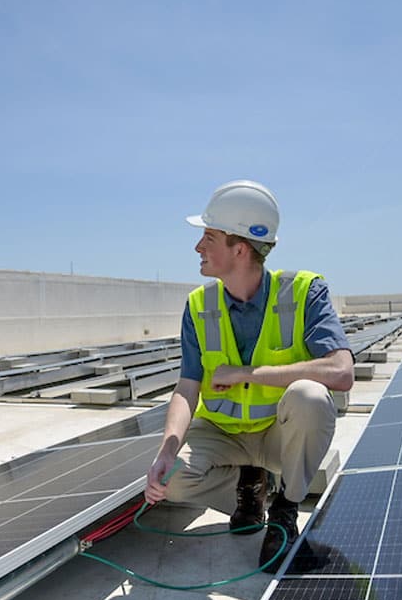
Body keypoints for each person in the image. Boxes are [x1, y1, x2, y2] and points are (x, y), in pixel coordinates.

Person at [144, 180, 353, 572]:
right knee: (169, 480)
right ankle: (249, 487)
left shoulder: (304, 292)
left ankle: (286, 510)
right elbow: (187, 387)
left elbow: (341, 371)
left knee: (311, 396)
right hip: (223, 434)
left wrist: (246, 373)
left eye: (208, 237)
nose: (197, 247)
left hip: (278, 435)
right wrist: (167, 450)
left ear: (239, 249)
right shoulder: (198, 305)